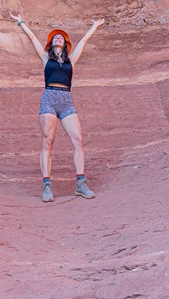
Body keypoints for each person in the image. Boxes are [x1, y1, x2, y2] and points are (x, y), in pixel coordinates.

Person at [9, 12, 104, 202]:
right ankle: (46, 185)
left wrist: (94, 26)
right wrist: (21, 21)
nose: (58, 38)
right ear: (51, 43)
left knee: (78, 141)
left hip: (67, 99)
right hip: (50, 97)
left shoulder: (71, 59)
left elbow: (83, 42)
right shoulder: (46, 58)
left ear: (65, 43)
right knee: (48, 142)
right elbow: (32, 38)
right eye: (55, 37)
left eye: (61, 37)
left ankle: (80, 184)